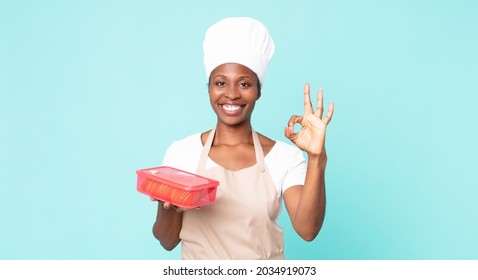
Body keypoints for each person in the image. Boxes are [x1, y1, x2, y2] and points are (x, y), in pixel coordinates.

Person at [151, 17, 334, 260]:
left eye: (245, 83)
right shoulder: (182, 152)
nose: (231, 94)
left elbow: (307, 230)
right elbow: (167, 240)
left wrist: (316, 158)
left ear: (259, 90)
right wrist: (169, 208)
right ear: (209, 89)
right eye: (220, 83)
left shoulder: (284, 157)